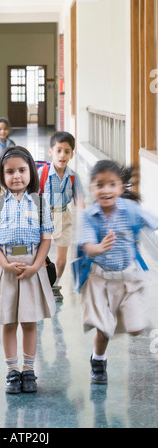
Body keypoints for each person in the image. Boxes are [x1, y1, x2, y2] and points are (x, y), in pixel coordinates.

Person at [0, 146, 56, 394]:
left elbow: (46, 239)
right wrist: (3, 264)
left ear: (31, 172)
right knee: (8, 321)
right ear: (1, 175)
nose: (17, 176)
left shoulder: (40, 202)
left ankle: (29, 370)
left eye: (22, 170)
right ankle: (12, 371)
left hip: (32, 265)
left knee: (30, 320)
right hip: (6, 266)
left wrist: (36, 266)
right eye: (10, 171)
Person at [79, 160, 158, 385]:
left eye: (112, 184)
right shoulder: (89, 216)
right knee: (105, 330)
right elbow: (86, 245)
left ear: (120, 188)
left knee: (136, 329)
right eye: (100, 185)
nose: (106, 190)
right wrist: (99, 247)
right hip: (100, 279)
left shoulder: (131, 210)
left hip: (129, 278)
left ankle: (117, 334)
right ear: (93, 189)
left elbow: (154, 221)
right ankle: (98, 360)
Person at [38, 131, 84, 301]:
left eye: (66, 151)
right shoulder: (42, 173)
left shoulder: (73, 177)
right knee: (39, 257)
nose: (62, 155)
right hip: (44, 217)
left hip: (64, 217)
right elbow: (31, 197)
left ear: (72, 153)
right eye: (58, 150)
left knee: (62, 261)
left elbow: (81, 203)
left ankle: (54, 284)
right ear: (50, 151)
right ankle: (39, 284)